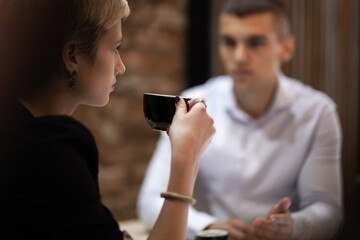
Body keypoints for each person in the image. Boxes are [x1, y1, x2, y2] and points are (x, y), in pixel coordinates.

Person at [0, 0, 215, 239]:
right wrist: (186, 159)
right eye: (114, 48)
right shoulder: (45, 150)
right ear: (72, 56)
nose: (121, 67)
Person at [137, 0, 343, 239]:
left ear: (285, 48)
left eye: (255, 42)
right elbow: (149, 201)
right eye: (229, 42)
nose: (239, 56)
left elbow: (327, 209)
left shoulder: (318, 113)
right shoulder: (191, 107)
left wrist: (292, 225)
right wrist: (208, 226)